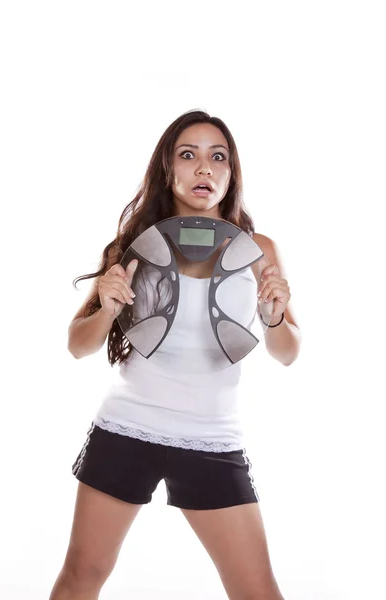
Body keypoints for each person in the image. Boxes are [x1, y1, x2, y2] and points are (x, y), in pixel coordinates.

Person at [49, 109, 302, 600]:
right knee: (82, 576)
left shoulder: (259, 249)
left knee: (257, 590)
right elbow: (77, 345)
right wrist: (107, 307)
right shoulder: (134, 245)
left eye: (217, 157)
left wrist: (273, 313)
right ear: (168, 169)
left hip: (212, 439)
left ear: (232, 173)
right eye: (188, 155)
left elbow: (288, 354)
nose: (204, 169)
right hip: (127, 429)